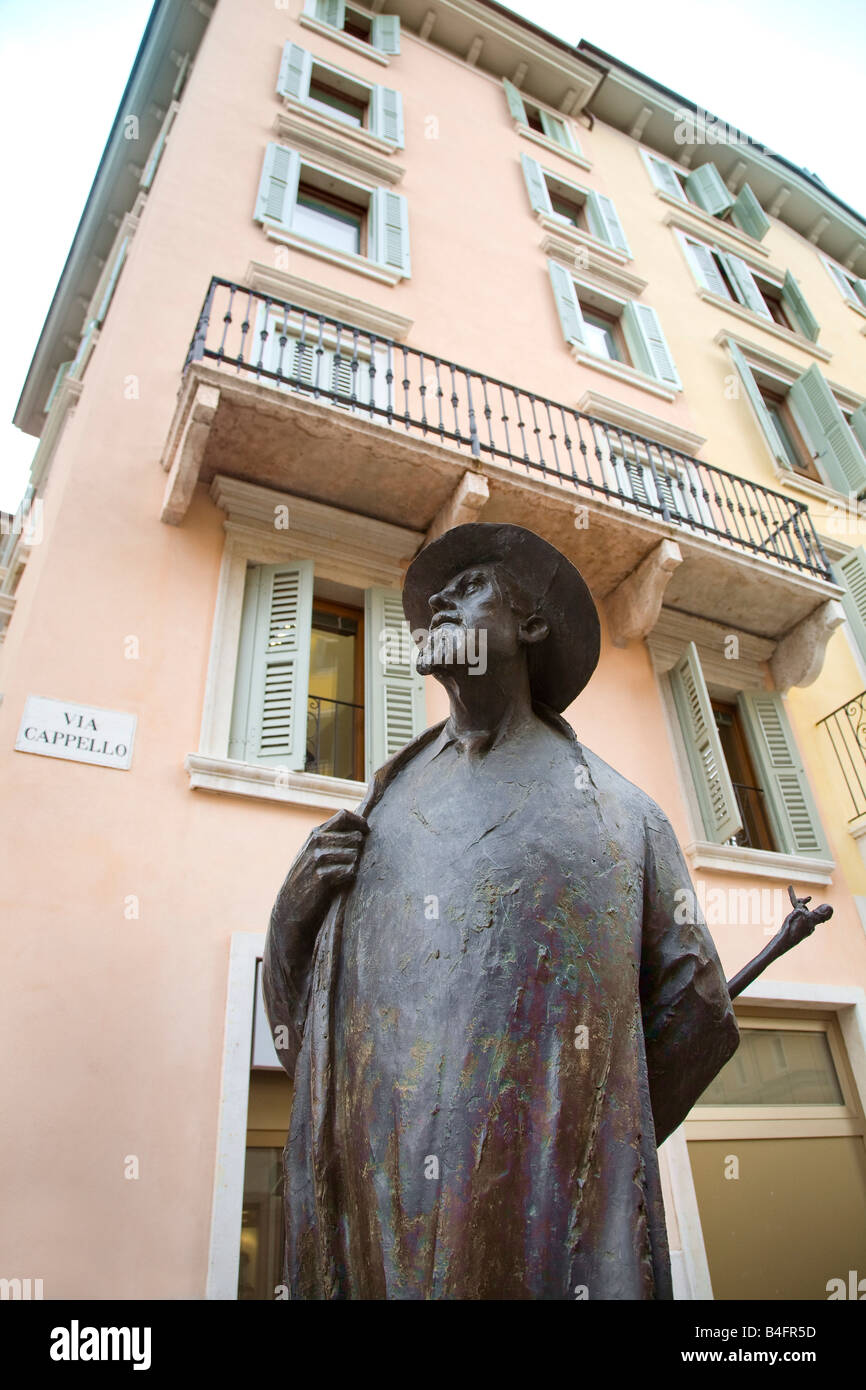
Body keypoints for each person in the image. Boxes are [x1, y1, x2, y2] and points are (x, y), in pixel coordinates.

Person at [263, 523, 739, 1299]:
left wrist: (576, 1140)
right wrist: (292, 915)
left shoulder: (623, 816)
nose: (440, 602)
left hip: (543, 1234)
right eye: (435, 598)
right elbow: (307, 1048)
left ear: (531, 626)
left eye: (471, 587)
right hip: (385, 1232)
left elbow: (699, 1010)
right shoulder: (377, 812)